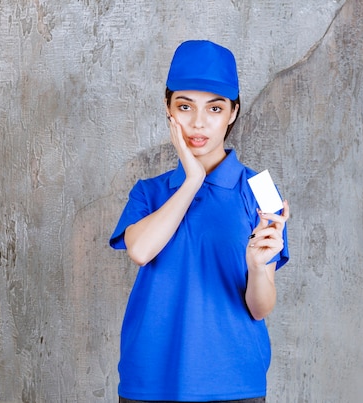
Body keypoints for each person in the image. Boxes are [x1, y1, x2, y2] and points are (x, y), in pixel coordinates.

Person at [109, 40, 290, 403]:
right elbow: (141, 251)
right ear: (168, 109)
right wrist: (191, 181)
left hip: (234, 380)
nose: (198, 122)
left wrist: (257, 267)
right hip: (150, 379)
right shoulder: (149, 192)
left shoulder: (261, 190)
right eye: (185, 106)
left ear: (233, 113)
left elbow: (260, 306)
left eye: (215, 108)